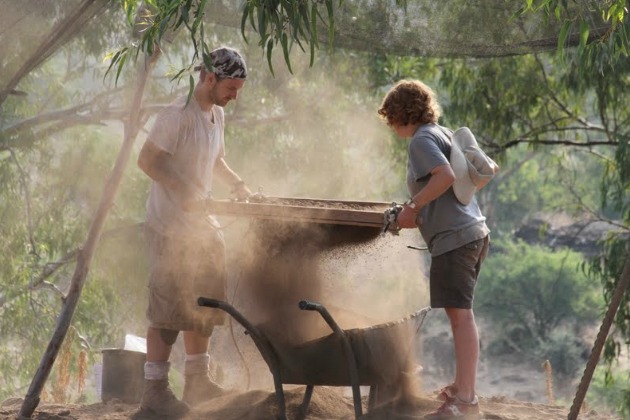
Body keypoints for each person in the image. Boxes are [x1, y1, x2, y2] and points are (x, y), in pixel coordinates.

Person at [136, 46, 251, 418]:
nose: (234, 97)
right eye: (231, 89)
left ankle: (198, 382)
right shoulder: (176, 115)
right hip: (169, 229)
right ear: (209, 78)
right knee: (168, 311)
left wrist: (238, 186)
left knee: (204, 306)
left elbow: (216, 160)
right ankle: (154, 392)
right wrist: (183, 191)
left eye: (237, 90)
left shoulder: (217, 114)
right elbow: (147, 160)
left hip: (203, 229)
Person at [378, 80, 498, 419]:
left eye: (391, 118)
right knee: (460, 315)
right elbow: (441, 200)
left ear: (400, 114)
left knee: (461, 318)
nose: (390, 125)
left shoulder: (421, 140)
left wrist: (412, 206)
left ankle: (466, 401)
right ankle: (462, 389)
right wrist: (407, 216)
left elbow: (443, 177)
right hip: (473, 233)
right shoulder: (441, 133)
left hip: (456, 241)